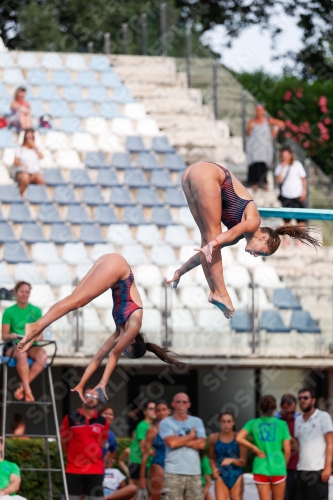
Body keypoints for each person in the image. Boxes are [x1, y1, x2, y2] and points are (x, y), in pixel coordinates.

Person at [17, 254, 185, 400]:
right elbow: (114, 354)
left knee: (74, 299)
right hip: (118, 267)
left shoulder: (119, 330)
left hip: (110, 263)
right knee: (78, 301)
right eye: (126, 349)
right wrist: (103, 383)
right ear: (132, 340)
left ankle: (35, 327)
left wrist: (82, 384)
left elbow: (97, 358)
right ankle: (35, 328)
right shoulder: (134, 324)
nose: (121, 348)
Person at [166, 161, 321, 318]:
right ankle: (222, 294)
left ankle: (215, 292)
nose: (255, 256)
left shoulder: (237, 238)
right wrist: (214, 243)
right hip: (207, 173)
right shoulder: (254, 221)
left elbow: (205, 252)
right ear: (263, 238)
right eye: (261, 253)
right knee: (212, 238)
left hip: (190, 175)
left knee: (208, 239)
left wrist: (180, 271)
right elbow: (230, 234)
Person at [236, 395, 291, 500]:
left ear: (259, 408)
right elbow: (287, 451)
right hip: (278, 467)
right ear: (275, 408)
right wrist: (283, 465)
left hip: (260, 467)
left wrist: (255, 448)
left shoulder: (253, 423)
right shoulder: (282, 424)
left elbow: (239, 438)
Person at [1, 281, 47, 402]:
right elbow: (4, 336)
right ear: (16, 293)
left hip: (31, 344)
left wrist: (35, 337)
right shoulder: (9, 311)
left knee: (42, 356)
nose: (24, 294)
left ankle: (22, 387)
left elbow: (40, 334)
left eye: (27, 292)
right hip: (14, 345)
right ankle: (28, 391)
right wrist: (12, 335)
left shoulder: (36, 310)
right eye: (22, 291)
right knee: (22, 354)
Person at [60, 387, 109, 500]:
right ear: (82, 397)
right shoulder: (70, 418)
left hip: (95, 468)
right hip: (74, 468)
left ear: (98, 401)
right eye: (88, 396)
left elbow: (103, 442)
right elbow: (63, 441)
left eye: (95, 397)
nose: (91, 399)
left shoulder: (103, 421)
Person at [159, 392, 207, 500]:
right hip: (173, 472)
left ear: (189, 404)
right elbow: (171, 443)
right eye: (178, 401)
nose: (181, 404)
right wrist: (191, 436)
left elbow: (202, 444)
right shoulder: (165, 423)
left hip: (194, 472)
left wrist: (179, 440)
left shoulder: (197, 421)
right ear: (173, 404)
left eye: (184, 402)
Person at [295, 387, 333, 500]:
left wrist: (327, 467)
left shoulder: (323, 417)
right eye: (300, 398)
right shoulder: (298, 420)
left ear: (313, 400)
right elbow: (298, 445)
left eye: (306, 398)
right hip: (301, 469)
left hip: (318, 470)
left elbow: (330, 443)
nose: (302, 400)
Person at [246, 103, 284, 190]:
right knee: (254, 164)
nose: (259, 112)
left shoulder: (268, 121)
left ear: (264, 111)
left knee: (263, 165)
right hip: (254, 148)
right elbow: (247, 133)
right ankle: (254, 183)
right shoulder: (252, 121)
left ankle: (263, 182)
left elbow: (281, 123)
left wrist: (275, 130)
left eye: (260, 110)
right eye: (257, 110)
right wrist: (249, 128)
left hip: (264, 148)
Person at [209, 411, 246, 500]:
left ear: (233, 423)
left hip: (236, 475)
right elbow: (211, 458)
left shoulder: (239, 438)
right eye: (223, 421)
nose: (226, 424)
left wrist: (232, 460)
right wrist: (214, 469)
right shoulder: (214, 438)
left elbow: (243, 462)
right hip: (221, 475)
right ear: (219, 422)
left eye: (229, 421)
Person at [275, 147, 307, 244]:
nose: (285, 158)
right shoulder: (280, 166)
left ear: (290, 155)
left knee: (300, 217)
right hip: (286, 195)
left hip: (297, 194)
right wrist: (283, 168)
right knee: (286, 218)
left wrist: (304, 191)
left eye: (286, 155)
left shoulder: (297, 165)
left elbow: (303, 179)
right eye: (283, 156)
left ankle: (300, 237)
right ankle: (287, 238)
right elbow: (278, 181)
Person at [139, 400, 171, 500]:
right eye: (158, 410)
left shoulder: (176, 428)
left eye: (164, 410)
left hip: (174, 467)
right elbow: (145, 453)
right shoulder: (152, 430)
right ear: (156, 413)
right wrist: (142, 477)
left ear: (169, 411)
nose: (161, 413)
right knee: (156, 497)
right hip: (157, 465)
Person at [276, 394, 299, 500]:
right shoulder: (274, 422)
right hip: (278, 468)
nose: (289, 415)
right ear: (281, 406)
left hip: (297, 468)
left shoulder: (300, 421)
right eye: (286, 412)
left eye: (292, 412)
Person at [128, 400, 156, 488]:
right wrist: (156, 453)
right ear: (145, 412)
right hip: (137, 462)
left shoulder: (152, 426)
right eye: (151, 409)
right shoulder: (142, 425)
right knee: (135, 492)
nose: (154, 411)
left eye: (155, 409)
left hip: (146, 462)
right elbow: (143, 447)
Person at [14, 129, 45, 196]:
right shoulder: (20, 149)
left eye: (31, 137)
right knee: (25, 178)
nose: (29, 139)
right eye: (28, 137)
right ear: (25, 138)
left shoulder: (37, 149)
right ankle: (20, 196)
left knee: (41, 180)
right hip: (22, 171)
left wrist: (34, 147)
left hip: (34, 172)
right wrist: (22, 165)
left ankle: (40, 198)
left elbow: (42, 157)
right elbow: (15, 162)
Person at [0, 435, 26, 500]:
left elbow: (15, 484)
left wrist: (2, 493)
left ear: (2, 446)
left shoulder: (11, 466)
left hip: (7, 496)